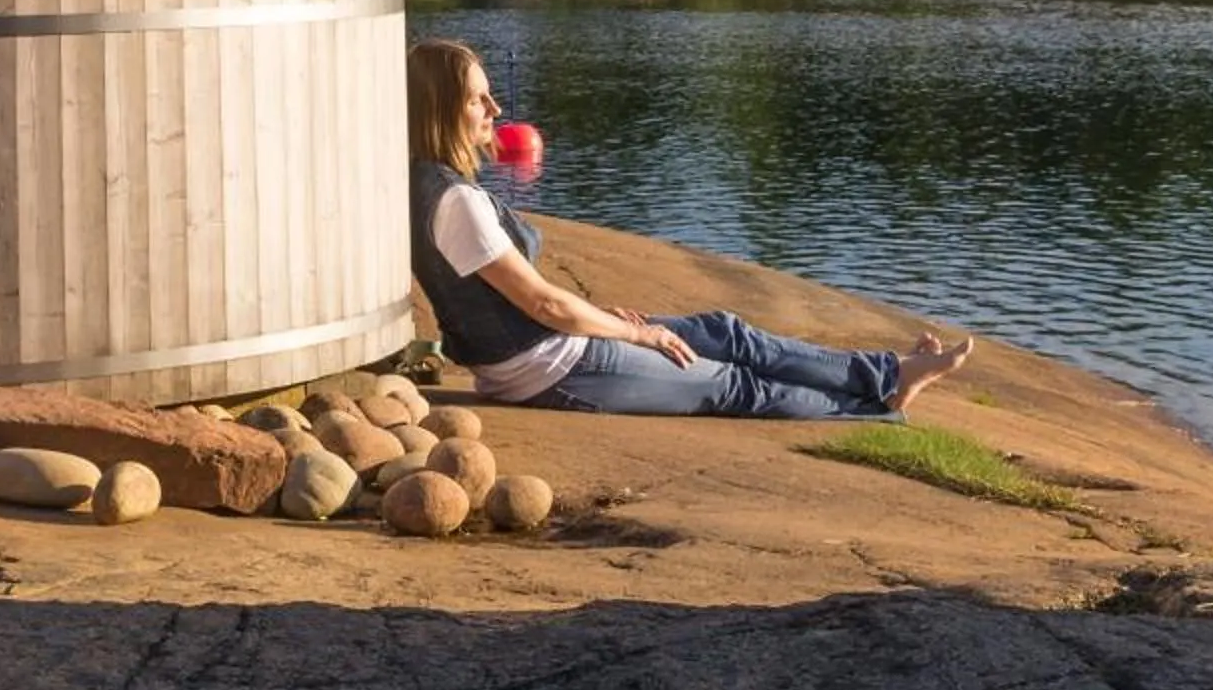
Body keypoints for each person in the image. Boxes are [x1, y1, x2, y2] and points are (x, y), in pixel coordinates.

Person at [406, 37, 974, 417]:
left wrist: (607, 321)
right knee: (734, 384)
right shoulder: (457, 203)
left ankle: (887, 373)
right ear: (442, 109)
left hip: (553, 347)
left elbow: (532, 302)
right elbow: (544, 306)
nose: (495, 109)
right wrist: (636, 334)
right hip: (547, 369)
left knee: (728, 334)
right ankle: (877, 407)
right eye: (478, 99)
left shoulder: (434, 183)